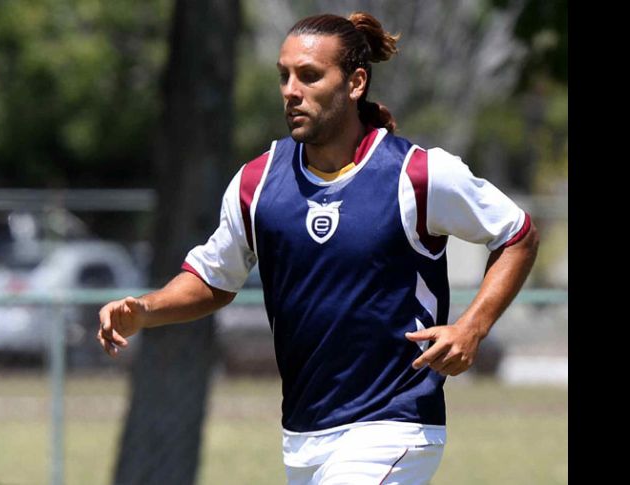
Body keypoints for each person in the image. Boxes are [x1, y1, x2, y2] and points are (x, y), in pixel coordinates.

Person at [97, 11, 539, 485]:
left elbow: (517, 234)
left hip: (393, 425)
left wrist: (472, 328)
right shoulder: (257, 183)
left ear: (355, 83)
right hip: (304, 434)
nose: (291, 90)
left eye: (309, 76)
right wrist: (145, 310)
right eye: (284, 76)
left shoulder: (419, 175)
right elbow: (212, 279)